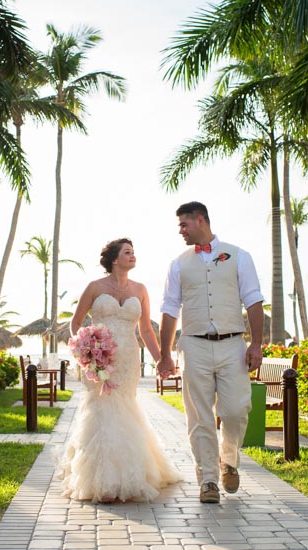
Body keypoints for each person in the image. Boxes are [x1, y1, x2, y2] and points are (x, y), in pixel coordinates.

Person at [58, 238, 182, 503]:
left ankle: (129, 474)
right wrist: (86, 349)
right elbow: (76, 323)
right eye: (128, 252)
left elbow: (146, 330)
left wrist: (161, 359)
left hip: (127, 359)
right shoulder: (95, 287)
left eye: (134, 252)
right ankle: (100, 480)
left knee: (124, 407)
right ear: (115, 259)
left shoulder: (140, 289)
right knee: (101, 409)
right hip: (99, 359)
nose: (133, 256)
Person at [157, 201, 264, 504]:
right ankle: (207, 480)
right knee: (199, 416)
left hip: (233, 344)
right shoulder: (178, 264)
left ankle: (228, 459)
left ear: (200, 220)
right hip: (194, 344)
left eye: (183, 225)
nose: (181, 231)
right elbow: (169, 309)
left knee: (235, 410)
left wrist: (256, 344)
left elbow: (254, 300)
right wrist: (165, 354)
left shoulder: (239, 256)